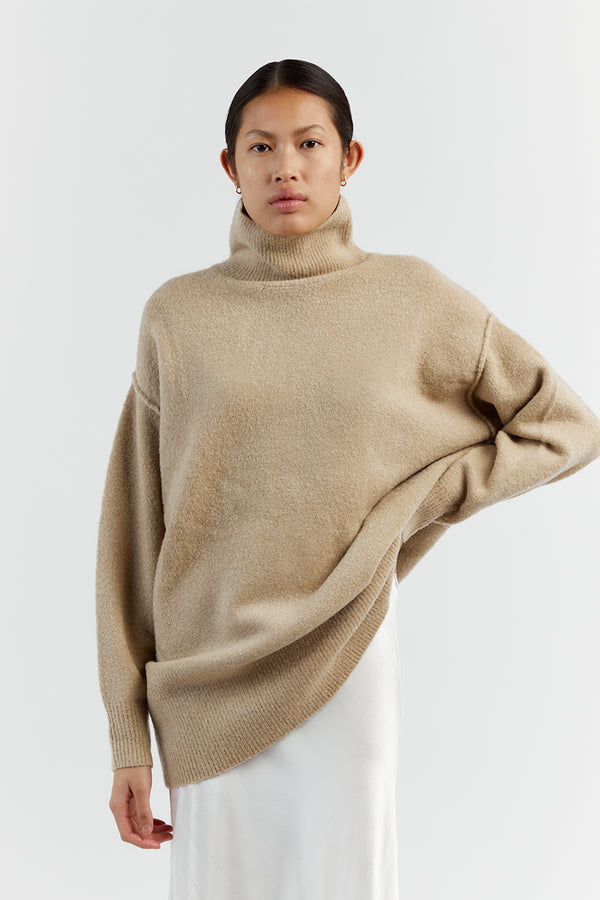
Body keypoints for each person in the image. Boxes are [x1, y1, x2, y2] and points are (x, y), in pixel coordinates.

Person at [95, 59, 600, 899]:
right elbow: (131, 532)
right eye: (261, 147)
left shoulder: (413, 298)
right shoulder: (178, 315)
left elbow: (565, 426)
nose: (285, 167)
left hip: (344, 665)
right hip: (205, 683)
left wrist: (424, 499)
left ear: (349, 158)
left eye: (309, 143)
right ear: (230, 166)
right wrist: (126, 739)